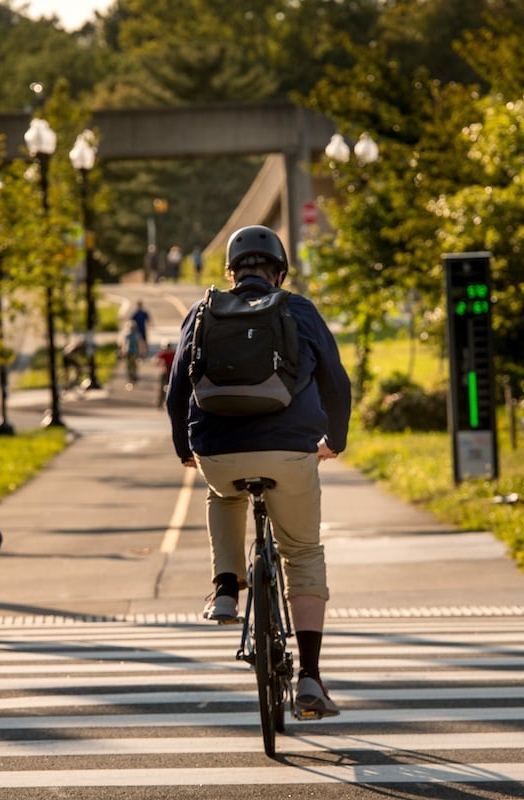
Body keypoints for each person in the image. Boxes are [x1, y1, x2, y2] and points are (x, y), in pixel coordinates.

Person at [165, 224, 351, 719]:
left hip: (218, 452)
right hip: (290, 452)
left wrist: (187, 448)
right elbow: (337, 382)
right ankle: (310, 678)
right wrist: (335, 440)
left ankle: (226, 587)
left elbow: (175, 392)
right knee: (303, 552)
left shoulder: (202, 311)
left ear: (232, 272)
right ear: (280, 271)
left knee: (222, 493)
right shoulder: (300, 310)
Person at [154, 339, 176, 409]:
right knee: (161, 388)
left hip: (171, 373)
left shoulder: (173, 354)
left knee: (171, 389)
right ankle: (160, 402)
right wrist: (161, 363)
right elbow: (156, 360)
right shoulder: (163, 354)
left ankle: (170, 403)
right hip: (164, 373)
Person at [120, 321, 142, 387]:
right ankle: (130, 375)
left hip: (135, 352)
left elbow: (140, 343)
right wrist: (123, 351)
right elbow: (124, 343)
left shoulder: (137, 335)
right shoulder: (127, 335)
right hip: (128, 352)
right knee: (129, 364)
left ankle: (134, 375)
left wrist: (141, 351)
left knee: (134, 364)